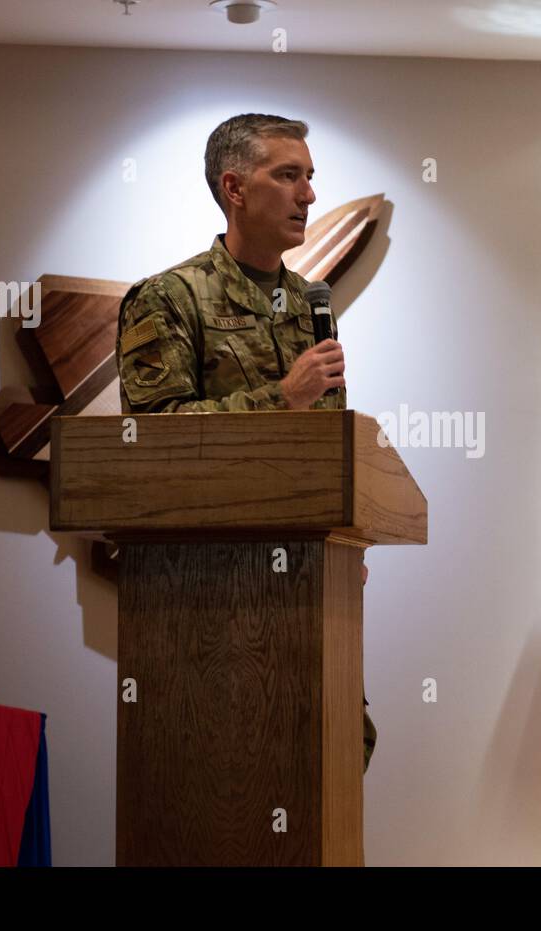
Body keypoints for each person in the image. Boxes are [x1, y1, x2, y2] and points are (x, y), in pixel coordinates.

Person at [116, 112, 377, 773]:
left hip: (314, 596)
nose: (309, 195)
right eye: (287, 175)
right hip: (208, 607)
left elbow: (326, 449)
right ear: (234, 187)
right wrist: (279, 398)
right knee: (222, 773)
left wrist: (350, 535)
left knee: (334, 755)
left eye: (310, 177)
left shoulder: (311, 305)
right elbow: (150, 442)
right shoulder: (170, 299)